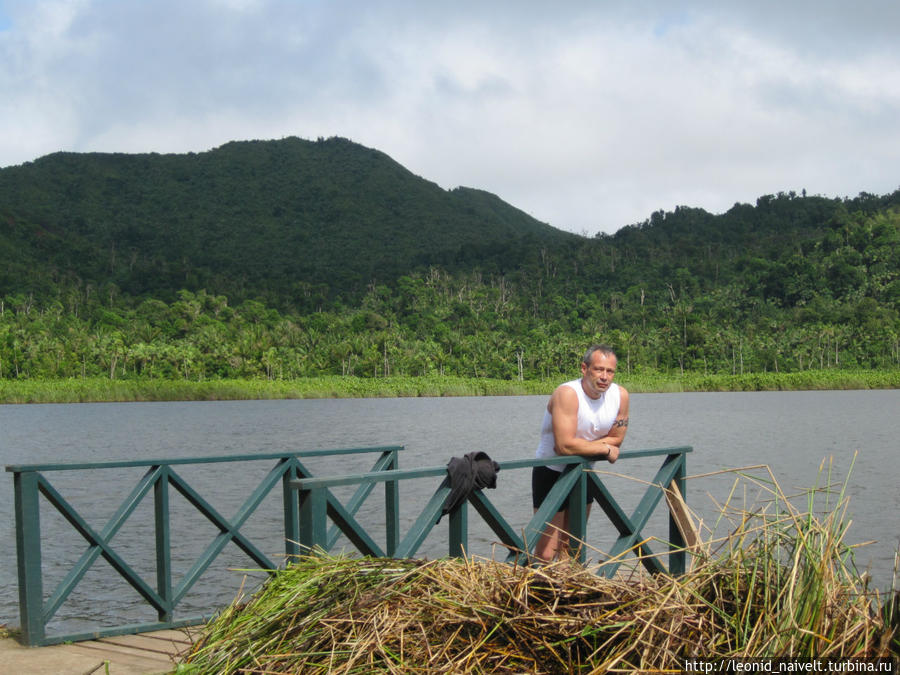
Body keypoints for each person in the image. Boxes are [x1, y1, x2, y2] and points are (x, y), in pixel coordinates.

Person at [531, 344, 629, 561]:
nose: (604, 377)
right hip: (551, 471)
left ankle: (566, 593)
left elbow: (618, 439)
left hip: (584, 472)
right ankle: (538, 591)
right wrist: (604, 448)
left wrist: (582, 445)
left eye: (609, 371)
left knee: (572, 548)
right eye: (598, 369)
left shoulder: (620, 396)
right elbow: (564, 447)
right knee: (546, 553)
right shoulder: (567, 394)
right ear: (584, 369)